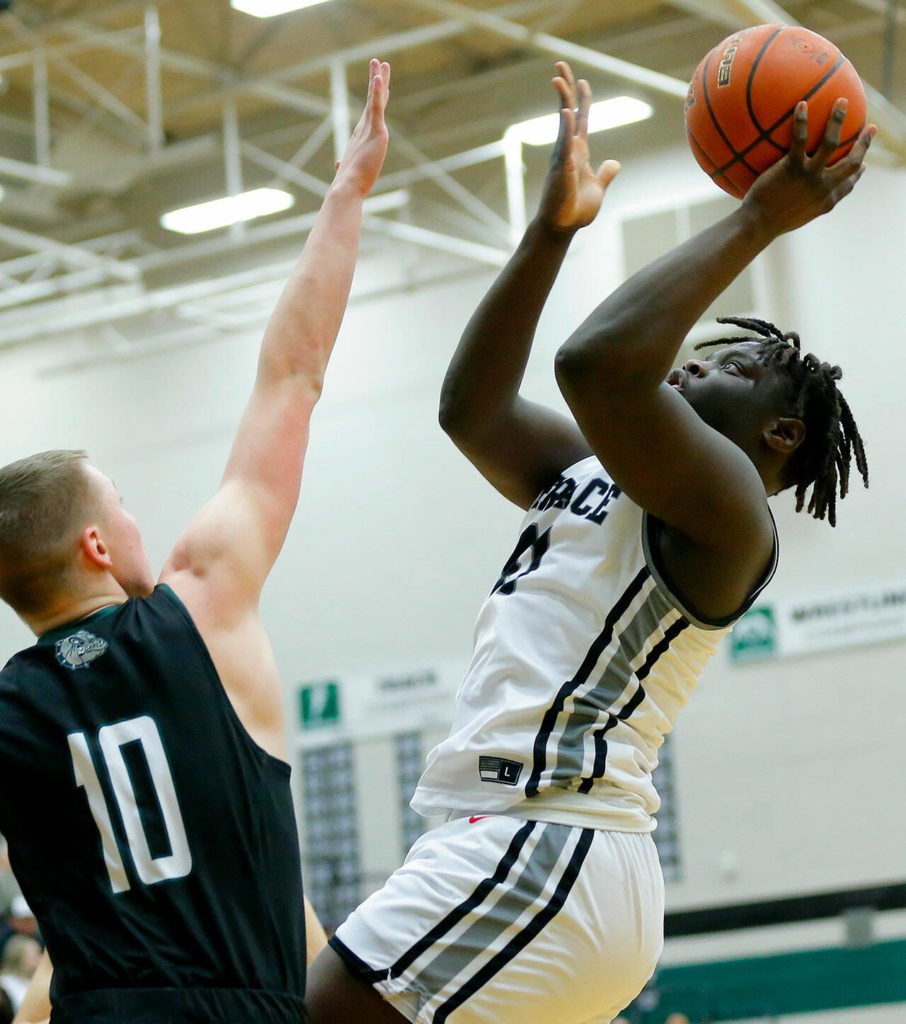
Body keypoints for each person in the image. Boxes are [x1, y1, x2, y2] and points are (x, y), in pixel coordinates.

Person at [305, 62, 872, 1024]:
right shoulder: (608, 470)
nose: (692, 364)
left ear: (780, 436)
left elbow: (598, 364)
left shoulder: (731, 511)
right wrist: (550, 234)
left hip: (549, 842)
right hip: (505, 840)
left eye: (728, 363)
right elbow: (471, 408)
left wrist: (757, 221)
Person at [0, 58, 391, 1024]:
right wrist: (345, 197)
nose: (142, 518)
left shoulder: (9, 713)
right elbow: (291, 376)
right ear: (96, 542)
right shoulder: (202, 605)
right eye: (124, 504)